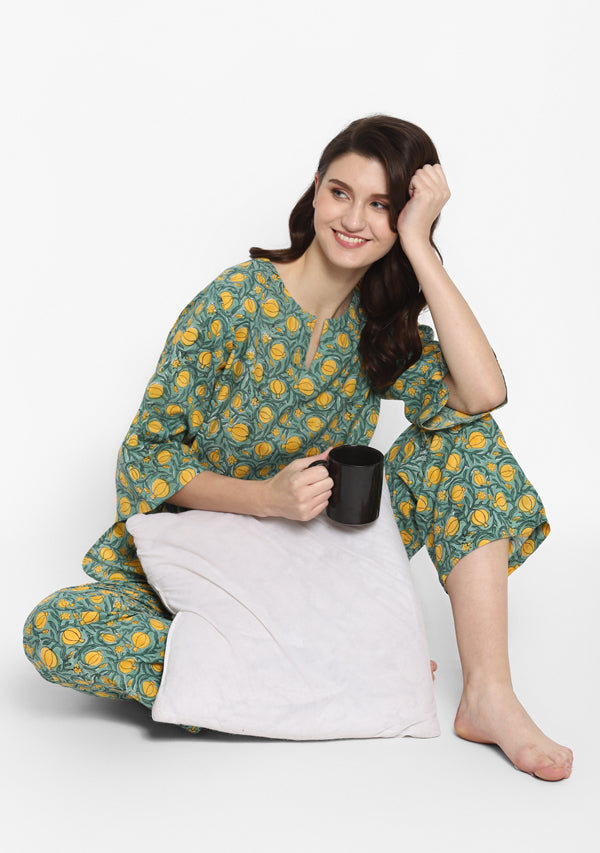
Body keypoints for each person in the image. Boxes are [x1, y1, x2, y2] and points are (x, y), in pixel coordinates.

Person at [23, 115, 572, 780]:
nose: (354, 219)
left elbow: (481, 394)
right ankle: (338, 664)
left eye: (382, 206)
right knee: (57, 628)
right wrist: (265, 498)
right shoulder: (235, 301)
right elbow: (146, 460)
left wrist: (420, 248)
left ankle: (488, 695)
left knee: (465, 439)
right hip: (205, 565)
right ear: (315, 191)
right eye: (341, 193)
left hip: (319, 566)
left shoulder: (377, 328)